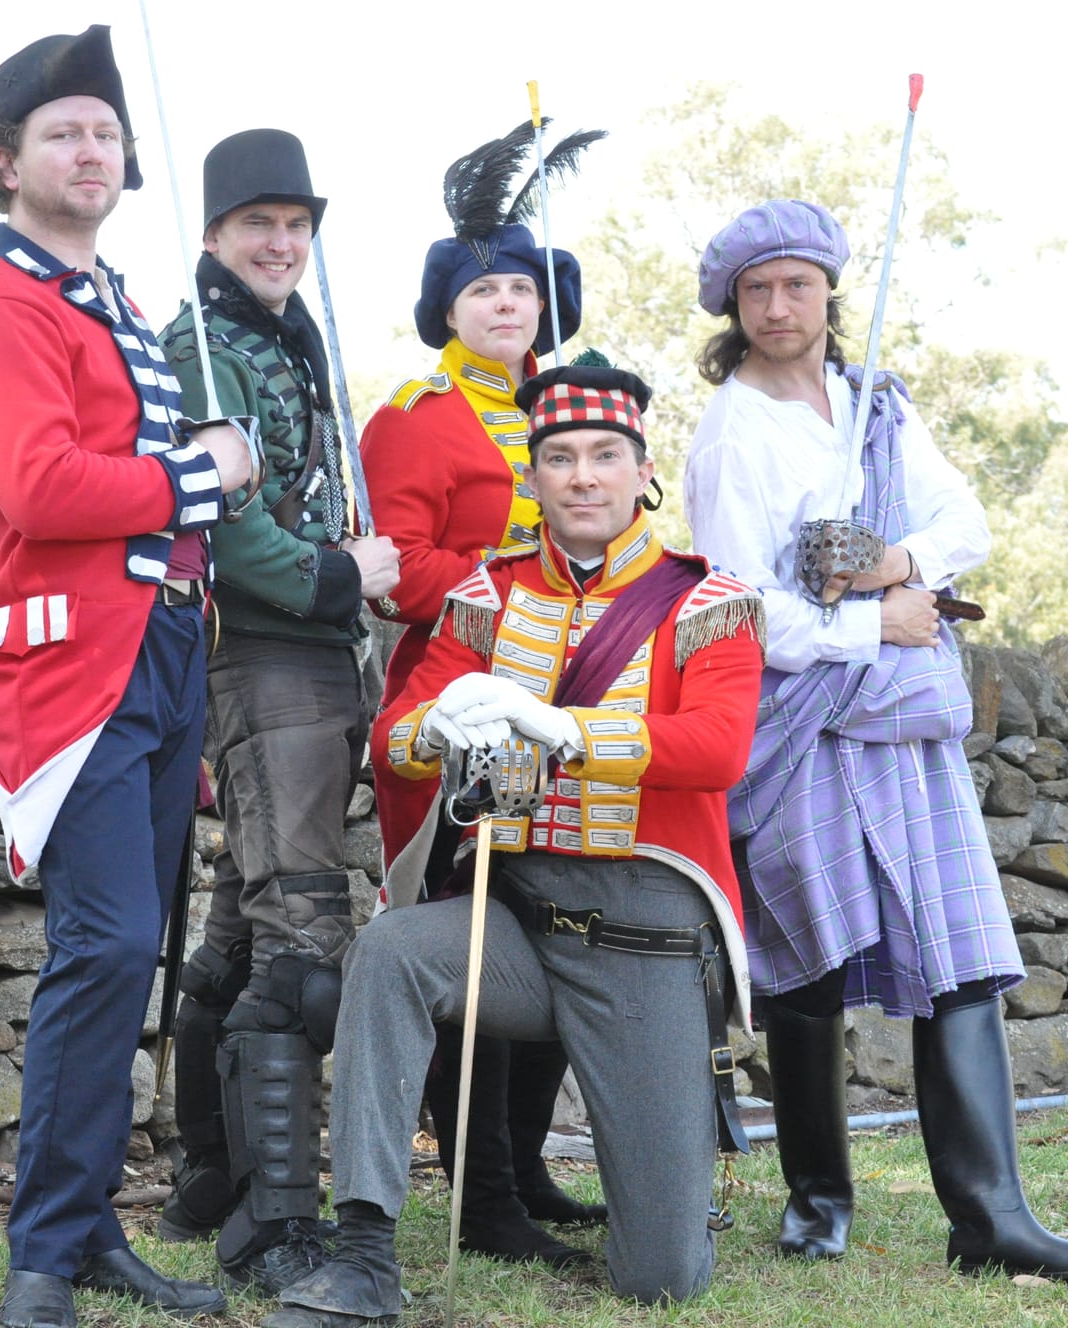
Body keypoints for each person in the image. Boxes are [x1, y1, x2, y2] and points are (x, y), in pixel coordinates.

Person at [264, 358, 765, 1328]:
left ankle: (668, 1197)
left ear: (640, 470)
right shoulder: (483, 600)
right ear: (531, 478)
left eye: (603, 455)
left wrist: (565, 730)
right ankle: (364, 1246)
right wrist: (437, 727)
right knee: (389, 952)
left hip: (641, 944)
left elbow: (716, 749)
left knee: (660, 1274)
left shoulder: (707, 602)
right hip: (519, 927)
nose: (582, 475)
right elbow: (394, 737)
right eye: (560, 457)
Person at [682, 198, 1068, 1280]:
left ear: (831, 291)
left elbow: (962, 521)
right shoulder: (728, 436)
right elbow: (741, 607)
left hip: (902, 726)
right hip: (805, 725)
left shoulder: (874, 403)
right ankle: (815, 1197)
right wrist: (868, 621)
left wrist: (895, 563)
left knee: (959, 957)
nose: (778, 306)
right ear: (732, 310)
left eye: (796, 284)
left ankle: (989, 1217)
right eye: (756, 291)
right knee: (808, 963)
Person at [0, 26, 258, 1328]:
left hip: (167, 641)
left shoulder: (105, 299)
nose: (92, 151)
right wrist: (200, 470)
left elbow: (87, 496)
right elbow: (39, 486)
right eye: (63, 133)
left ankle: (88, 1233)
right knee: (106, 945)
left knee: (135, 956)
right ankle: (44, 1262)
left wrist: (194, 472)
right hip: (83, 662)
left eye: (106, 134)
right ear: (6, 163)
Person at [150, 128, 402, 1294]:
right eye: (257, 224)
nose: (280, 242)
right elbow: (226, 513)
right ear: (212, 235)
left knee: (243, 933)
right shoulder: (202, 343)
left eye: (295, 224)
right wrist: (335, 578)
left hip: (313, 660)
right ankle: (276, 1221)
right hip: (268, 651)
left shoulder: (283, 338)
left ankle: (209, 1178)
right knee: (305, 942)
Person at [358, 124, 605, 1270]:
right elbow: (395, 562)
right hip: (460, 690)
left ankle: (525, 1163)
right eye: (481, 290)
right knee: (472, 926)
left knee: (554, 910)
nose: (504, 305)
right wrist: (497, 584)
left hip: (569, 697)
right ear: (446, 308)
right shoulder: (415, 413)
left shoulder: (572, 412)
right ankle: (481, 1195)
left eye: (519, 286)